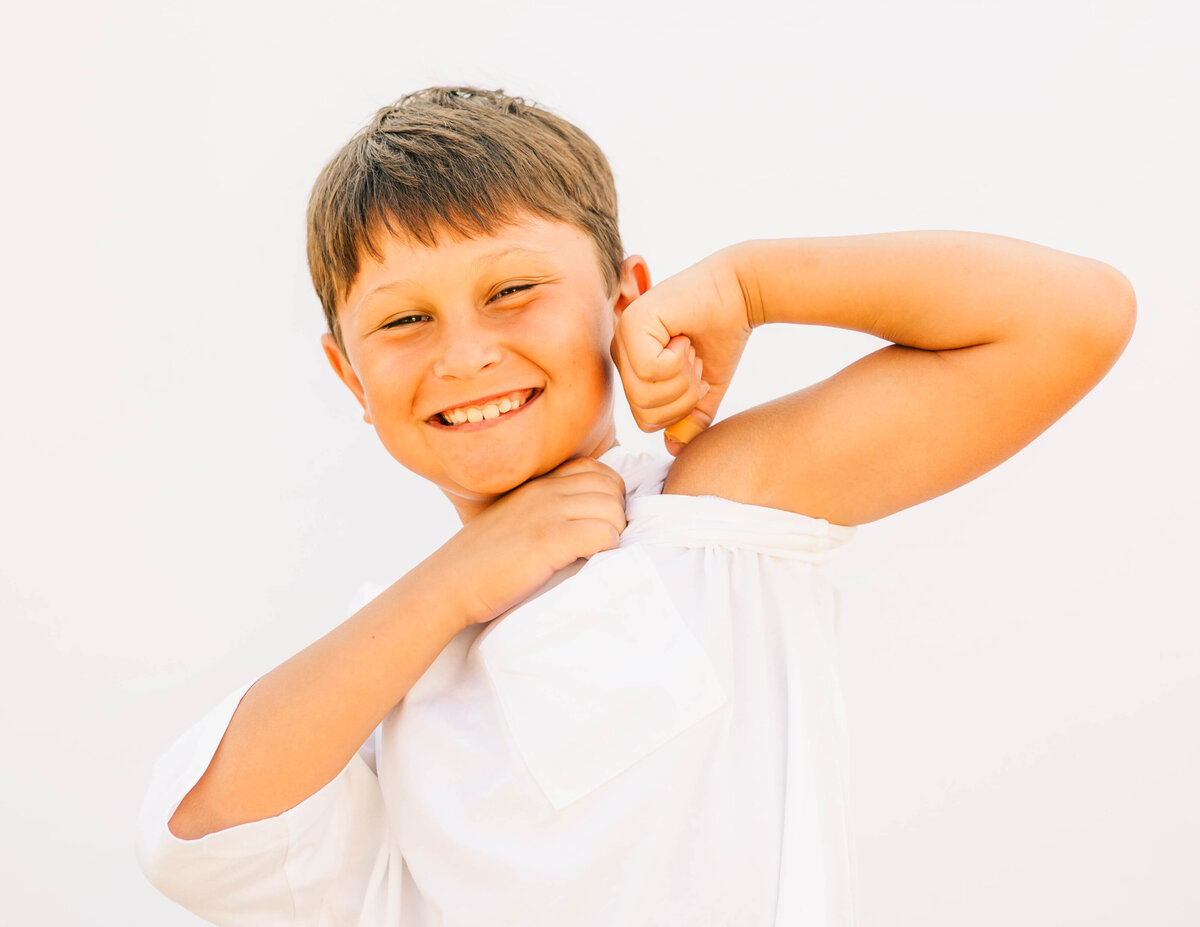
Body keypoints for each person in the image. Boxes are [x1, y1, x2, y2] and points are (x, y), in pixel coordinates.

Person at [137, 87, 1135, 926]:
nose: (465, 354)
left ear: (625, 298)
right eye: (404, 319)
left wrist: (748, 285)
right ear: (349, 375)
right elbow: (197, 830)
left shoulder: (710, 511)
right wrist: (453, 586)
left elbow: (1070, 318)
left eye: (512, 290)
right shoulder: (379, 692)